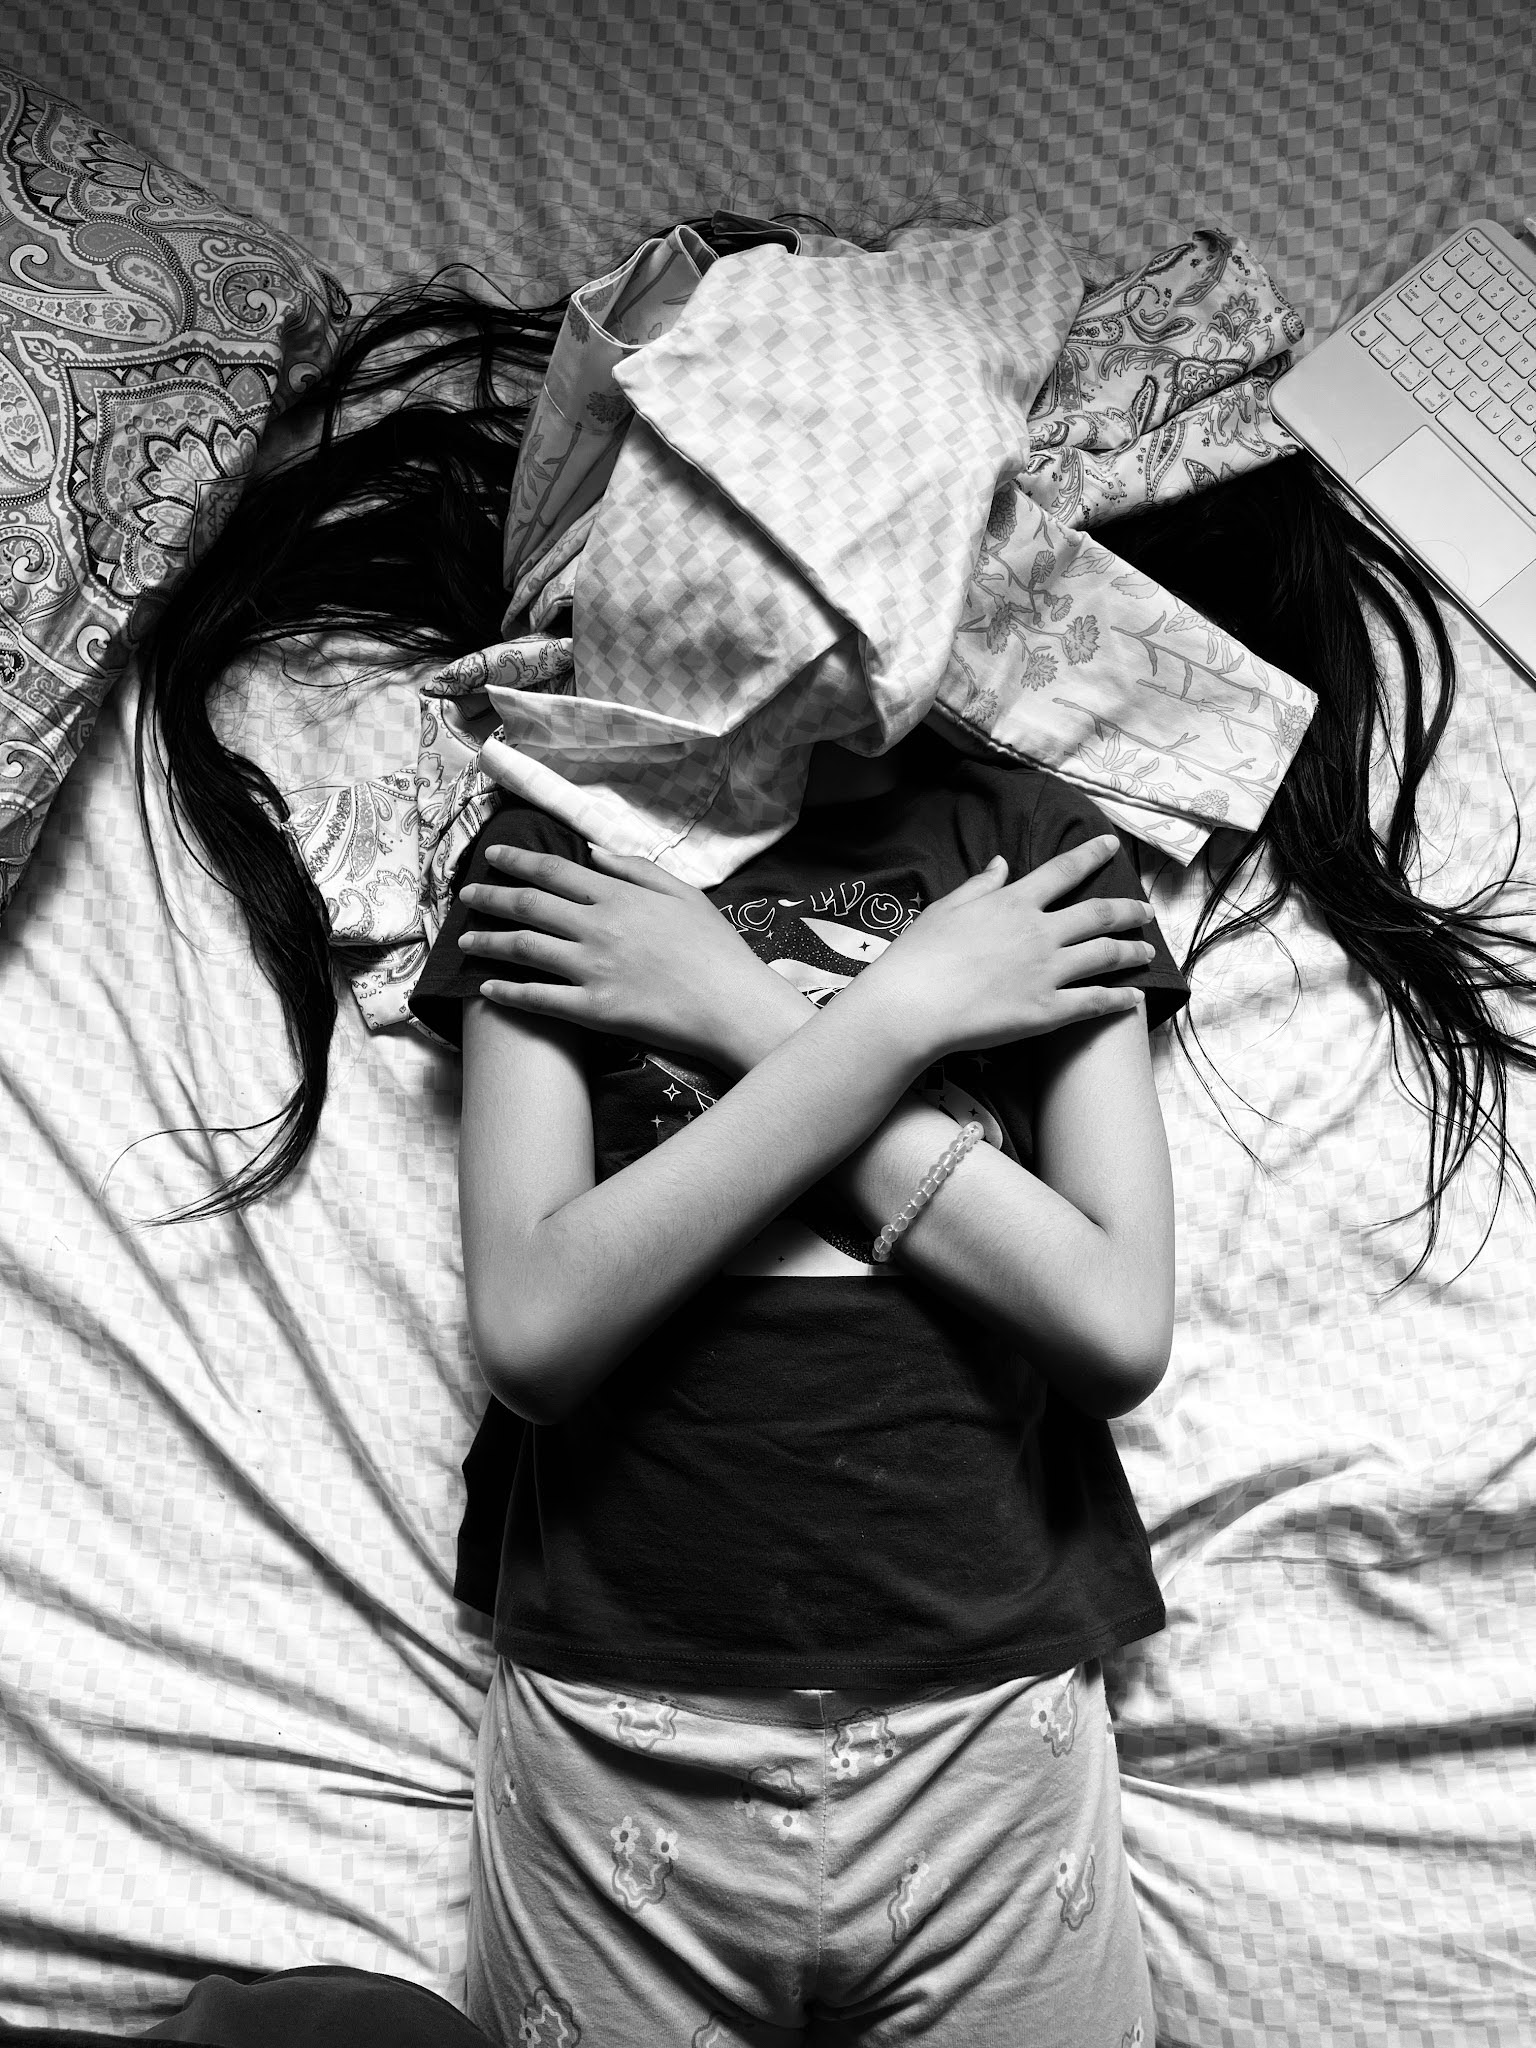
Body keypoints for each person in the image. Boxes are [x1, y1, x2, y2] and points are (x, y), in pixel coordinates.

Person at [405, 708, 1184, 2041]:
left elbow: (1114, 1328)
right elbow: (535, 1331)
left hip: (988, 1721)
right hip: (616, 1720)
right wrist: (899, 1020)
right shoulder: (564, 853)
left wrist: (739, 1009)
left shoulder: (1033, 848)